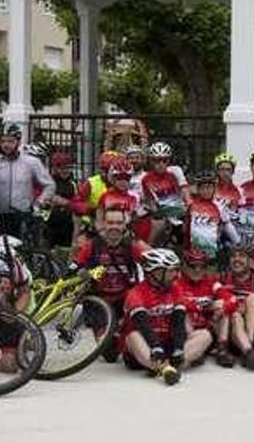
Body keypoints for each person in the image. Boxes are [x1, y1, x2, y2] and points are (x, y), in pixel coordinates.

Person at [121, 248, 210, 386]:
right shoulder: (135, 293)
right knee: (133, 336)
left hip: (167, 344)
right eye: (171, 270)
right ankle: (165, 368)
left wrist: (178, 348)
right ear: (156, 272)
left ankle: (169, 364)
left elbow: (178, 321)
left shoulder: (175, 289)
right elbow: (143, 325)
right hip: (145, 346)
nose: (175, 274)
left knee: (205, 335)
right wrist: (156, 348)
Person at [69, 207, 151, 349]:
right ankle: (113, 334)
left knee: (132, 345)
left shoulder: (132, 246)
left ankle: (122, 332)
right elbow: (73, 270)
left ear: (125, 224)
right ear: (103, 224)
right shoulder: (91, 246)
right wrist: (85, 273)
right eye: (110, 222)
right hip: (99, 301)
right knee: (109, 352)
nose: (114, 226)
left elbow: (154, 264)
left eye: (119, 223)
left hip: (125, 300)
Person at [0, 123, 55, 240]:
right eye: (3, 141)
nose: (6, 145)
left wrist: (39, 202)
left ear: (18, 142)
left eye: (10, 141)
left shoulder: (31, 162)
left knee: (21, 251)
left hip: (24, 215)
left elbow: (49, 185)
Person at [175, 248, 237, 368]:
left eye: (202, 266)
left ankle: (222, 349)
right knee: (181, 311)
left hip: (209, 328)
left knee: (222, 305)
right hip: (187, 333)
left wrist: (222, 308)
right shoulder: (177, 283)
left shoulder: (211, 281)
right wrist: (204, 307)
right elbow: (178, 302)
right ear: (184, 266)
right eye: (193, 266)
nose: (197, 270)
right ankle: (195, 350)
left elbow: (233, 299)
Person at [219, 242, 254, 370]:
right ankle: (247, 351)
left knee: (252, 298)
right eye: (233, 256)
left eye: (242, 256)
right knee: (233, 313)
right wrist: (234, 305)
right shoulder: (223, 278)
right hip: (228, 332)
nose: (236, 259)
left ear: (250, 261)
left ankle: (248, 345)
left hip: (253, 332)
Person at [185, 171, 240, 261]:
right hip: (195, 253)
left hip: (213, 252)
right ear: (198, 189)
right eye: (203, 188)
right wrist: (186, 248)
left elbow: (227, 225)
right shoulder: (192, 206)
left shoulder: (219, 206)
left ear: (214, 188)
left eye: (209, 187)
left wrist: (238, 243)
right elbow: (188, 228)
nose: (206, 191)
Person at [140, 142, 186, 245]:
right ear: (151, 161)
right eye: (156, 160)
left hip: (178, 211)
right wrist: (154, 211)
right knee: (156, 228)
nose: (161, 164)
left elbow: (184, 191)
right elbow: (149, 200)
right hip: (162, 213)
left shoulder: (174, 173)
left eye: (164, 160)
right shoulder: (146, 179)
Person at [95, 156, 139, 230]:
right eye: (119, 178)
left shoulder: (133, 197)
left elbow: (130, 218)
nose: (123, 181)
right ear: (113, 179)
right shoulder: (105, 196)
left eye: (126, 178)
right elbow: (99, 217)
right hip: (106, 231)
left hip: (125, 231)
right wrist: (101, 230)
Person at [47, 152, 77, 247]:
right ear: (55, 168)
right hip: (49, 227)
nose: (65, 171)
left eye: (68, 168)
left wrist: (65, 203)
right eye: (62, 168)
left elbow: (77, 203)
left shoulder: (72, 184)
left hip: (68, 226)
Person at [213, 152, 243, 218]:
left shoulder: (239, 190)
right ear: (217, 171)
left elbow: (242, 211)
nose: (225, 173)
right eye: (222, 169)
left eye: (228, 169)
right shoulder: (212, 189)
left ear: (233, 171)